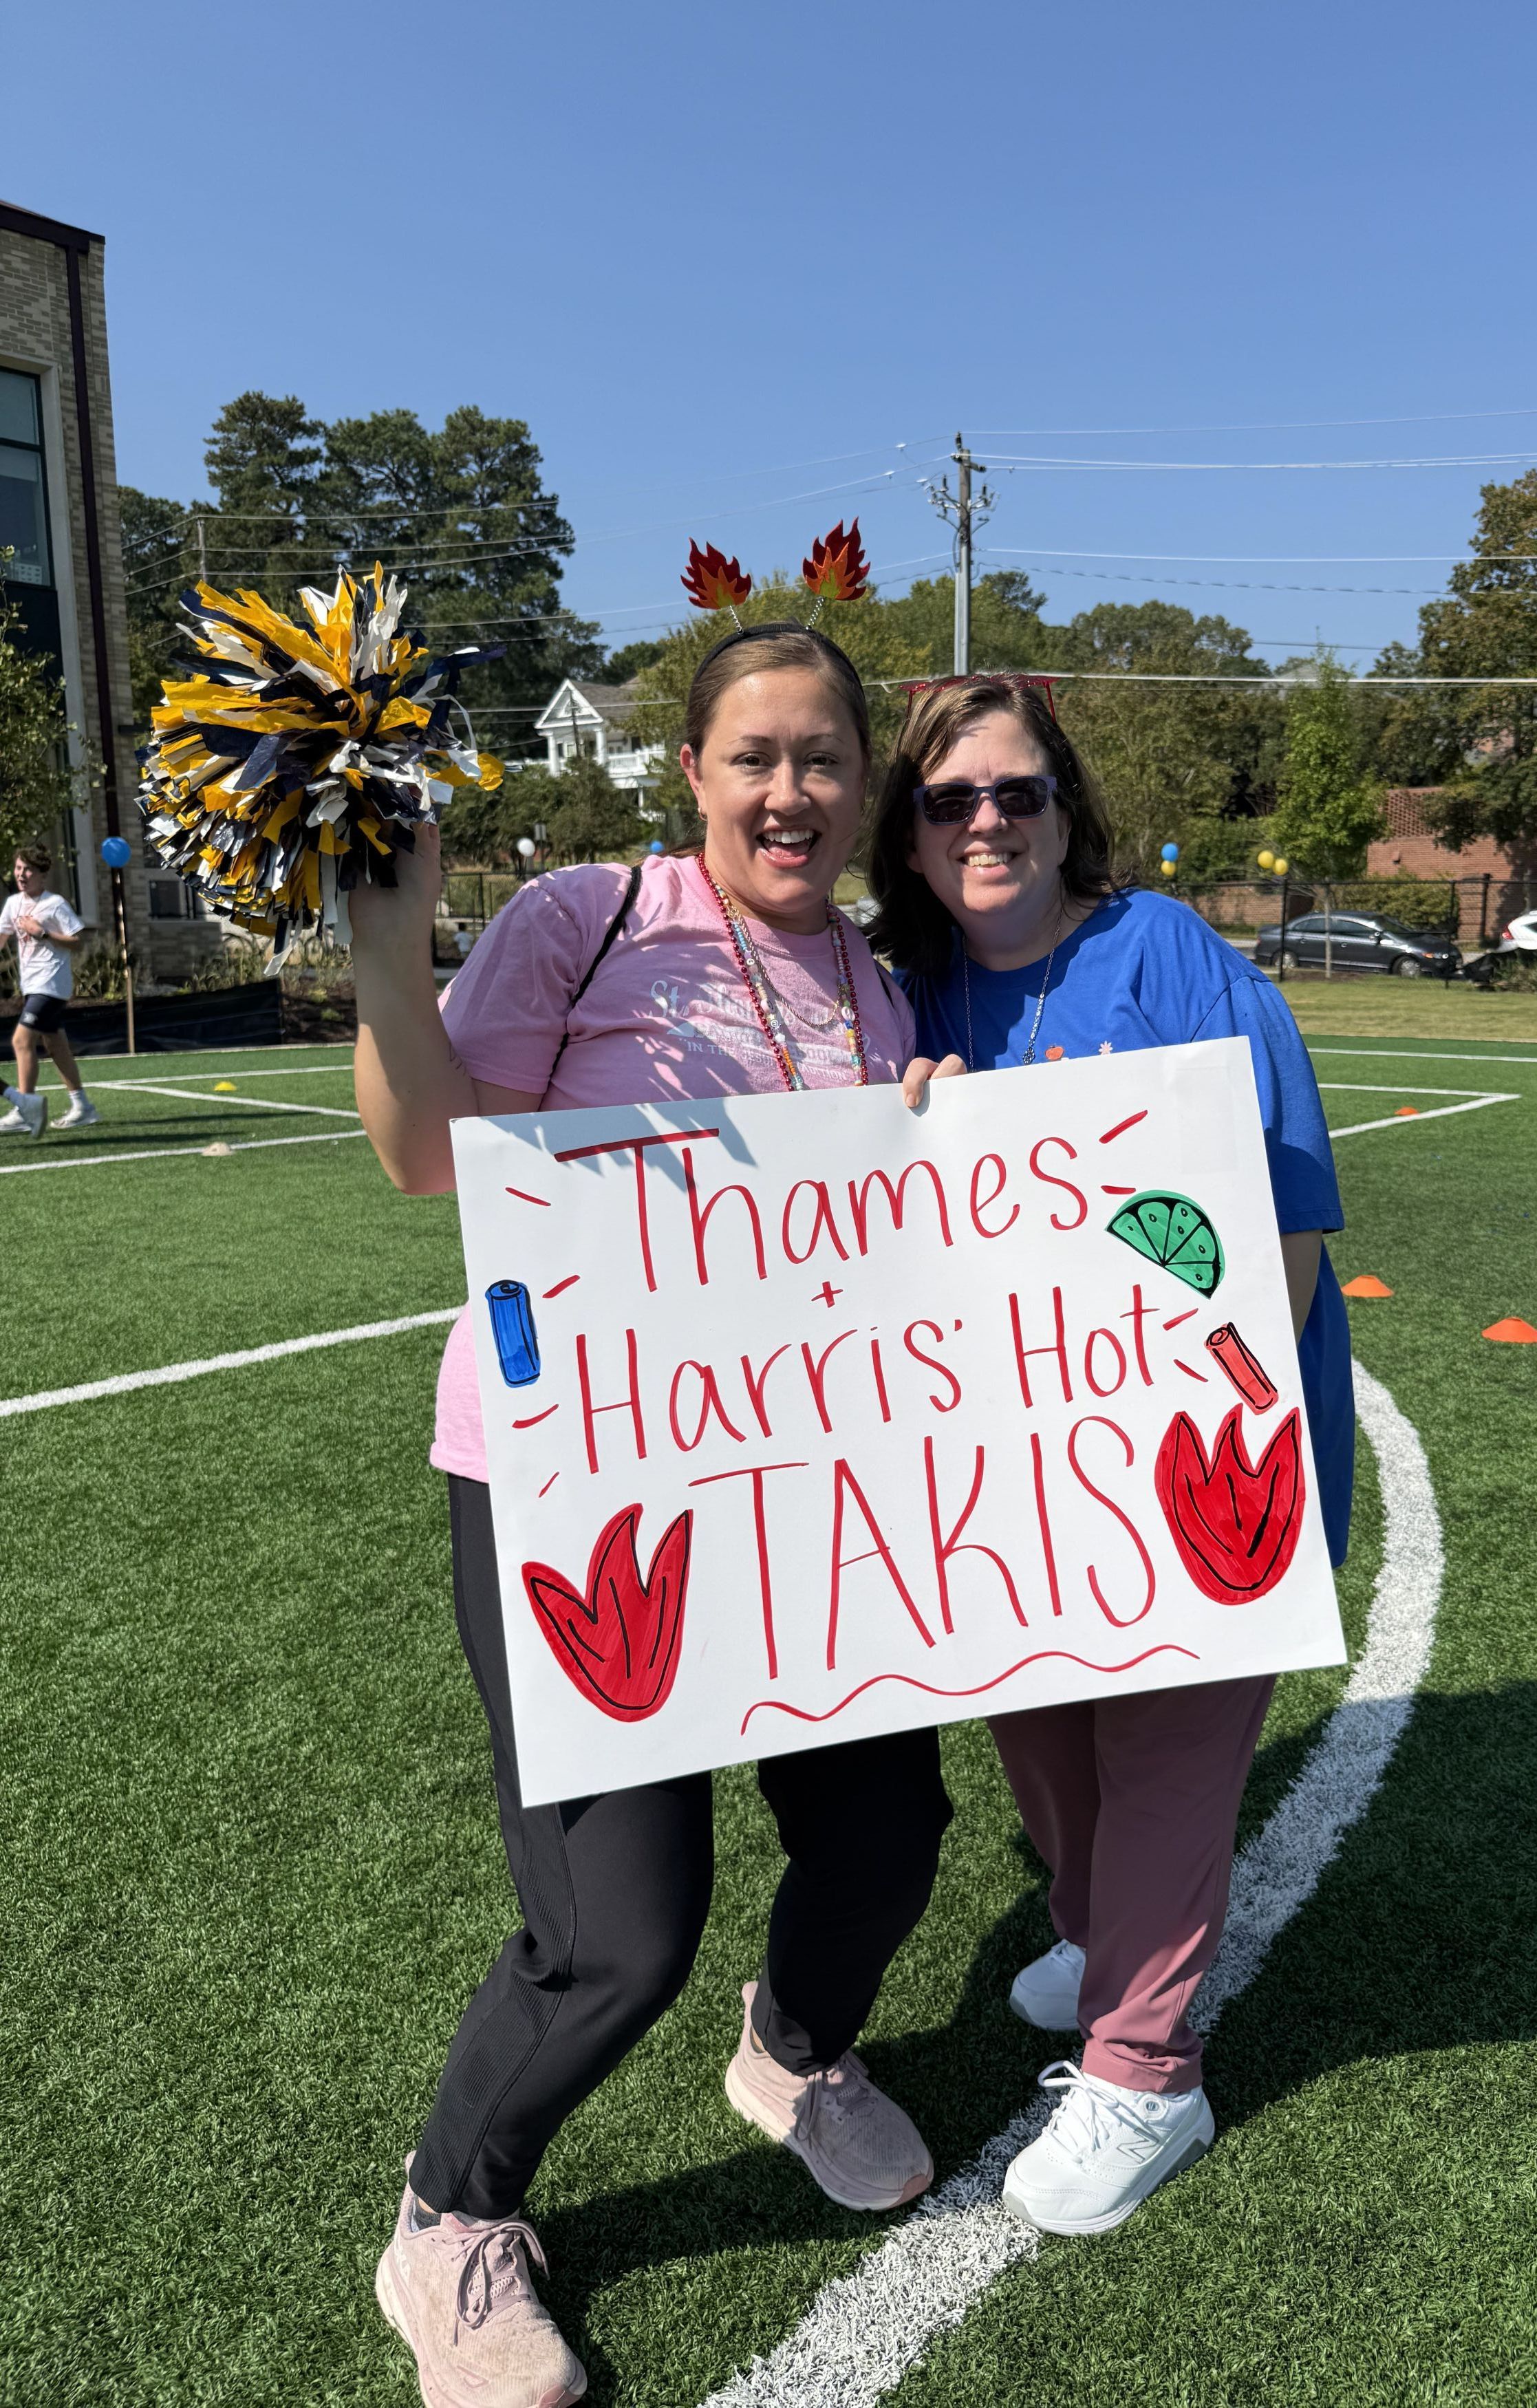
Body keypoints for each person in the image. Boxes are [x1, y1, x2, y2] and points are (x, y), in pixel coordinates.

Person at [352, 624, 960, 2407]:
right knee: (620, 1930)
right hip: (569, 1489)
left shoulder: (878, 984)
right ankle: (447, 2219)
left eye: (825, 758)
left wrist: (931, 1148)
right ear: (693, 766)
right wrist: (392, 967)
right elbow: (422, 1152)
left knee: (887, 1826)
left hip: (794, 1489)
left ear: (864, 783)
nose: (792, 791)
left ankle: (795, 2053)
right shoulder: (584, 921)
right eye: (756, 755)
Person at [865, 675, 1355, 2239]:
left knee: (1161, 1746)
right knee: (1038, 1722)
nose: (988, 821)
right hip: (1010, 1463)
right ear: (915, 834)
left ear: (1070, 807)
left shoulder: (1177, 960)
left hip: (1201, 1458)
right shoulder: (913, 997)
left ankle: (1148, 2070)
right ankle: (1096, 1930)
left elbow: (1276, 1233)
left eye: (1018, 792)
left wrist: (1204, 1428)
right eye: (952, 801)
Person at [1, 845, 98, 1137]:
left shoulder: (54, 904)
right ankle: (82, 1107)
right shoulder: (13, 904)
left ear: (42, 874)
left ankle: (23, 1108)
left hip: (52, 985)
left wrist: (42, 933)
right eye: (18, 869)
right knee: (56, 1046)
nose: (21, 874)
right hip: (31, 986)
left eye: (28, 869)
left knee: (21, 1040)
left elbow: (77, 941)